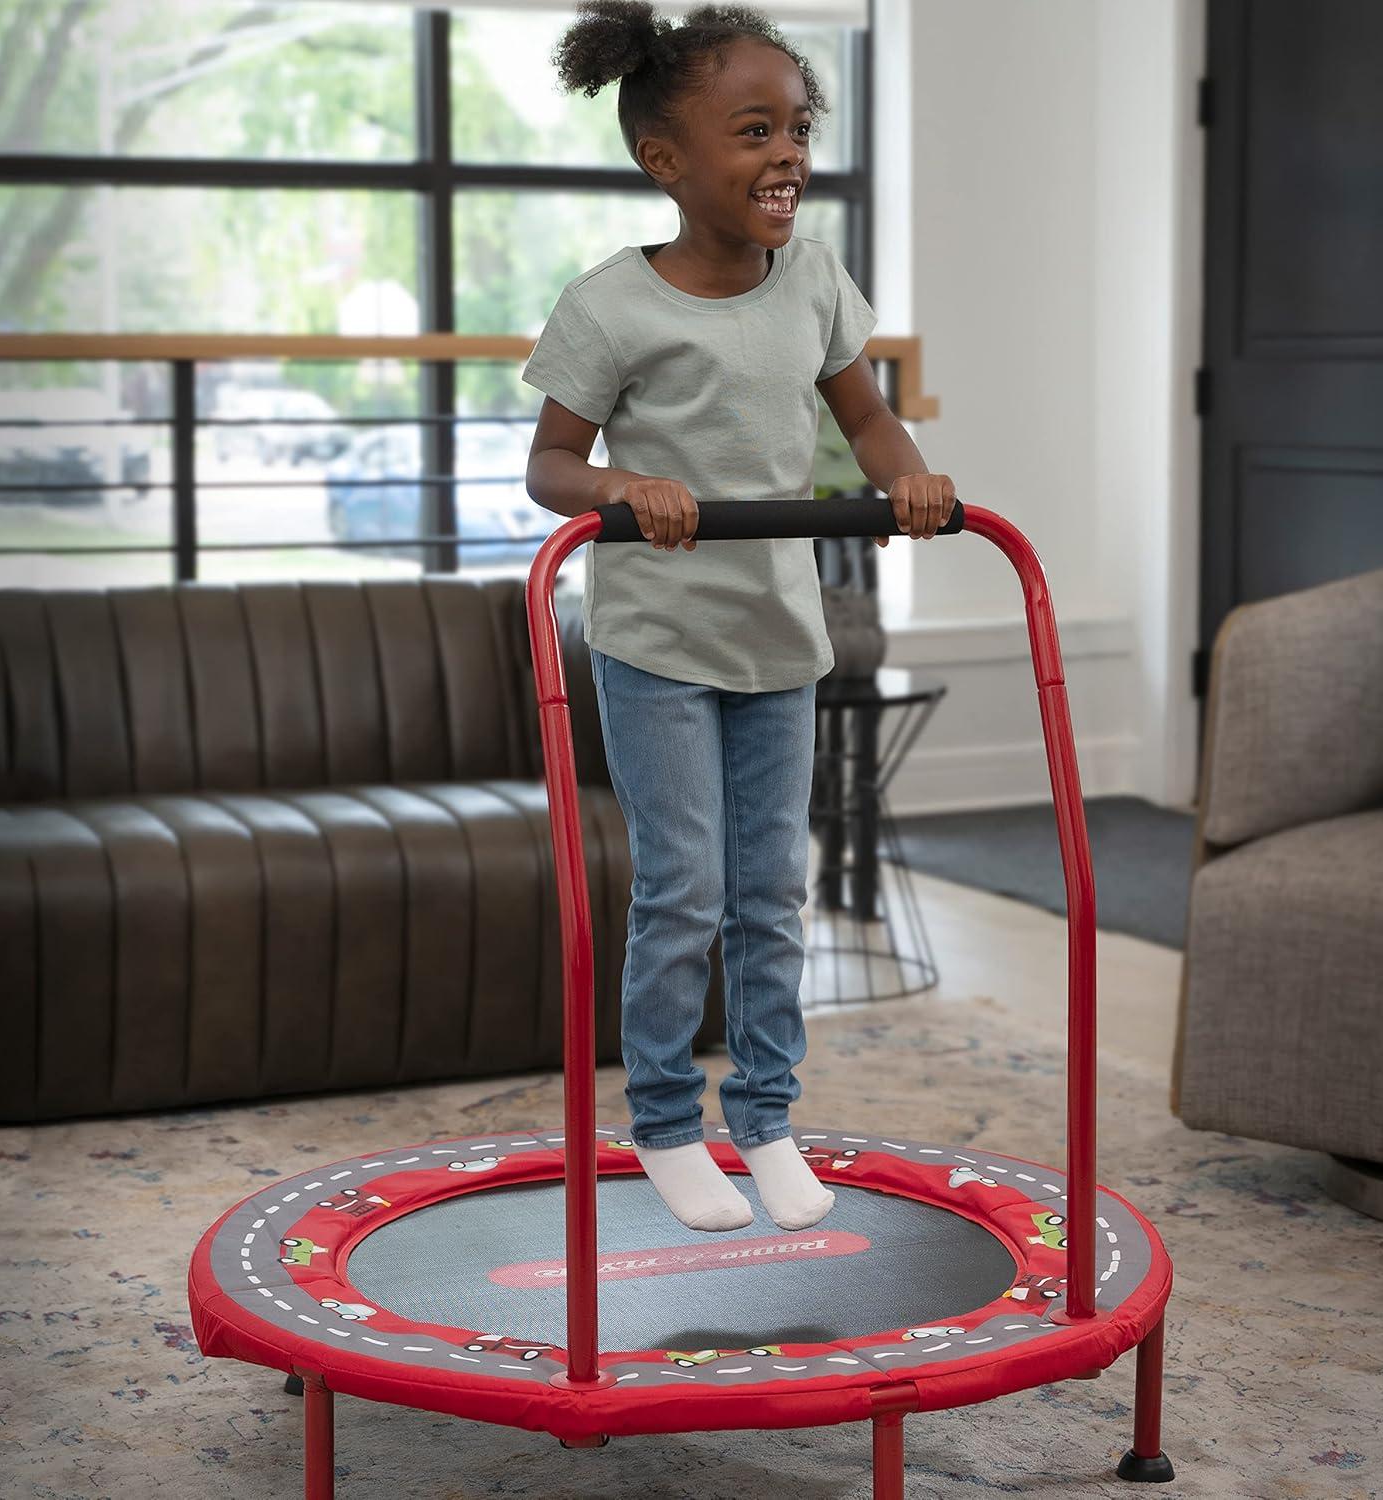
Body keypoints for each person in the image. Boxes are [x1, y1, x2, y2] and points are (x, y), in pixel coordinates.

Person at [522, 1, 956, 1234]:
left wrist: (906, 478)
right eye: (753, 131)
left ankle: (766, 1118)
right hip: (657, 643)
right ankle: (665, 1121)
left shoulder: (813, 278)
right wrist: (624, 486)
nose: (788, 155)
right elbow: (552, 466)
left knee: (774, 889)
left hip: (778, 640)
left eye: (798, 128)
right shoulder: (613, 305)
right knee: (686, 891)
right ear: (666, 162)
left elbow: (866, 422)